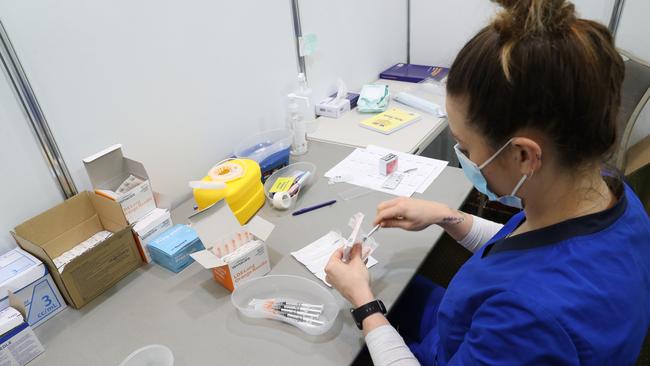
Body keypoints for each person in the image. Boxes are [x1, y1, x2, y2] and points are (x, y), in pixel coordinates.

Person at [324, 0, 650, 364]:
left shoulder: (528, 317)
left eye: (465, 146)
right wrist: (446, 215)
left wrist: (365, 306)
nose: (464, 156)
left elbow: (524, 288)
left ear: (524, 156)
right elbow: (518, 244)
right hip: (464, 330)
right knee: (390, 282)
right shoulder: (605, 195)